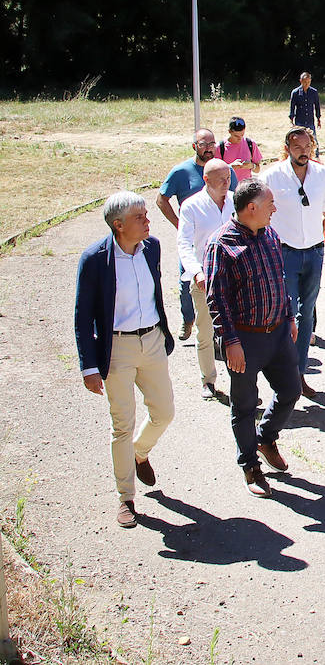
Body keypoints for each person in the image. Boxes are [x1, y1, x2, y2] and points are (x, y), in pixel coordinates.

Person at [75, 191, 177, 527]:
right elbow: (83, 314)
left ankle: (139, 452)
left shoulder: (153, 248)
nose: (148, 220)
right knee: (122, 425)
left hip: (151, 341)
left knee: (164, 413)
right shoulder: (94, 259)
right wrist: (89, 366)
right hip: (116, 349)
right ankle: (126, 498)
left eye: (147, 214)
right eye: (140, 217)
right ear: (118, 226)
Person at [204, 179, 301, 498]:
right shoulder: (222, 243)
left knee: (290, 390)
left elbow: (281, 278)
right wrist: (230, 342)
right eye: (270, 203)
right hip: (244, 339)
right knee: (245, 405)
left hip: (278, 332)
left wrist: (289, 316)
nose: (275, 208)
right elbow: (216, 298)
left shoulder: (271, 234)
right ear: (251, 208)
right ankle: (250, 466)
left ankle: (266, 437)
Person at [262, 127, 325, 398]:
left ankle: (300, 373)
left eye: (307, 146)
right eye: (297, 147)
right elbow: (263, 214)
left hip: (314, 252)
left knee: (307, 316)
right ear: (287, 148)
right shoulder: (272, 176)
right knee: (286, 315)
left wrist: (314, 234)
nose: (303, 151)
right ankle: (283, 378)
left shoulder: (323, 175)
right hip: (284, 253)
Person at [156, 129, 238, 341]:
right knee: (188, 287)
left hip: (224, 248)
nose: (209, 147)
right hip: (195, 243)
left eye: (212, 143)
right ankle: (188, 319)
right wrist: (179, 224)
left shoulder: (224, 170)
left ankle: (219, 337)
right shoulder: (181, 172)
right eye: (204, 144)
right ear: (195, 147)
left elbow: (237, 201)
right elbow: (161, 199)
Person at [175, 158, 235, 400]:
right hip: (205, 281)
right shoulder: (191, 206)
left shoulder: (235, 200)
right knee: (205, 333)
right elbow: (184, 244)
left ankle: (240, 384)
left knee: (236, 333)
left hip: (235, 279)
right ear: (206, 180)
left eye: (228, 178)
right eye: (221, 180)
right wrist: (196, 271)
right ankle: (208, 380)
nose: (226, 184)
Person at [217, 116, 262, 183]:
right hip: (227, 188)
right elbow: (215, 172)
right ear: (229, 131)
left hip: (245, 187)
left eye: (242, 135)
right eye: (236, 136)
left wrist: (252, 166)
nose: (240, 138)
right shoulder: (220, 147)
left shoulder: (250, 144)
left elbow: (257, 169)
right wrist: (230, 167)